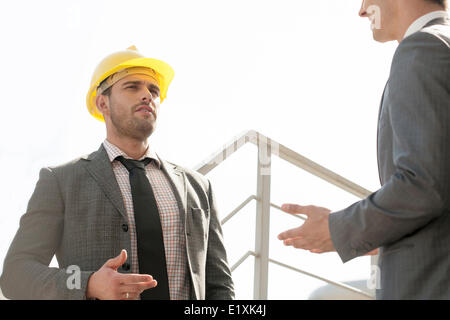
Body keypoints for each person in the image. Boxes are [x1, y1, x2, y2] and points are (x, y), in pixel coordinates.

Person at [0, 46, 234, 300]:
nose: (147, 95)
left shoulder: (199, 187)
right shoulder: (60, 181)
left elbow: (220, 286)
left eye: (153, 90)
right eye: (133, 87)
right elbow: (16, 275)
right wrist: (88, 283)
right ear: (103, 102)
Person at [278, 0, 450, 299]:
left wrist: (338, 229)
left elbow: (424, 185)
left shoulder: (422, 48)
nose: (362, 10)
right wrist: (371, 233)